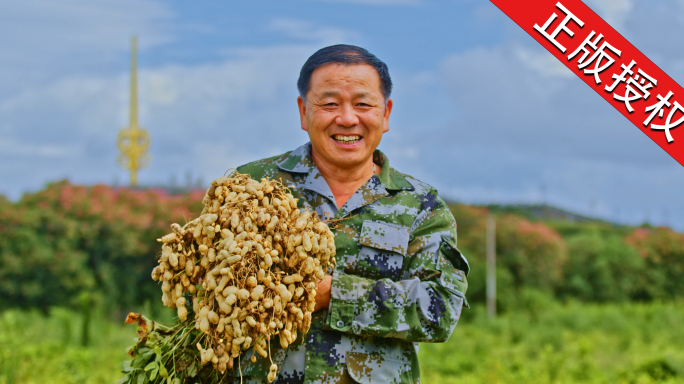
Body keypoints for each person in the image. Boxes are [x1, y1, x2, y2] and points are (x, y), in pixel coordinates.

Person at [235, 44, 469, 384]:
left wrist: (334, 294)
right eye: (329, 104)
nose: (347, 118)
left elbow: (440, 310)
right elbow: (203, 291)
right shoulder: (252, 186)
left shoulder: (420, 206)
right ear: (303, 112)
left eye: (363, 104)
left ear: (386, 113)